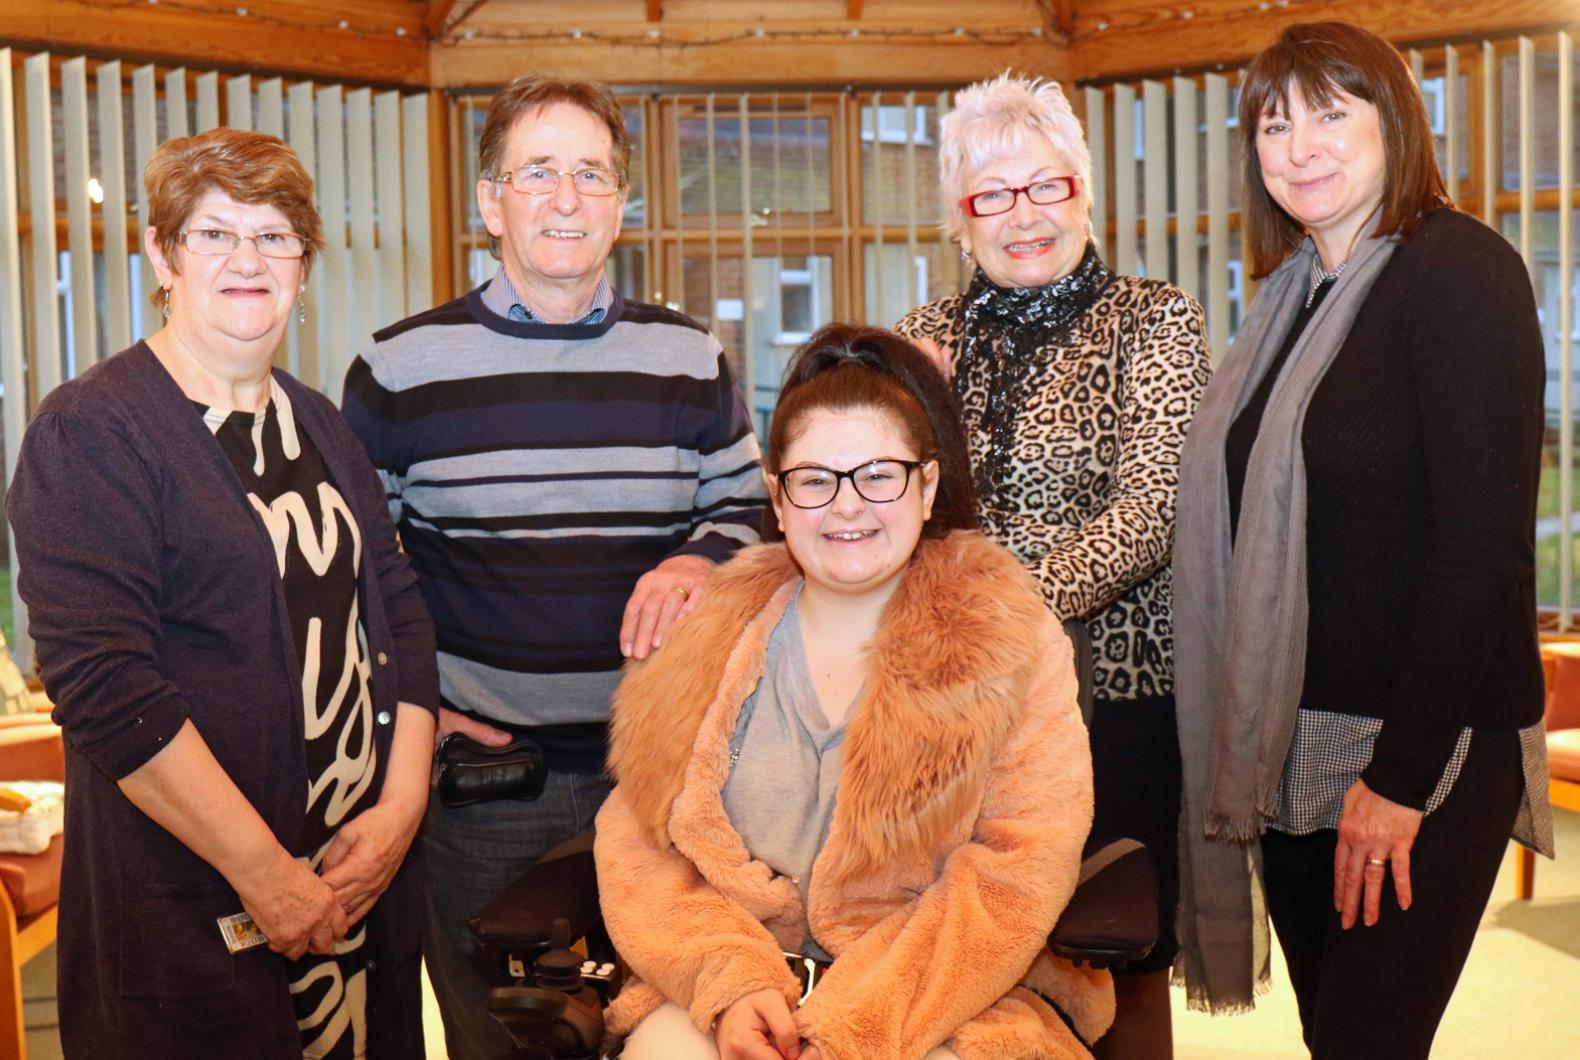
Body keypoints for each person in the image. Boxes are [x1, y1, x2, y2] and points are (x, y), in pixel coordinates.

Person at [340, 75, 766, 1056]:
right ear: (491, 204)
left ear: (620, 202)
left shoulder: (688, 355)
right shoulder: (400, 370)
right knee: (501, 1043)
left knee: (659, 1034)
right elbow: (348, 576)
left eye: (590, 173)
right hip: (485, 790)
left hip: (661, 790)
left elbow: (746, 508)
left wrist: (698, 560)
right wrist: (407, 707)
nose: (566, 197)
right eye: (537, 172)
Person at [5, 128, 438, 1059]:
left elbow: (398, 617)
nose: (249, 259)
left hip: (358, 898)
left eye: (276, 235)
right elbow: (108, 691)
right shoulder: (91, 432)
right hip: (203, 911)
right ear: (161, 255)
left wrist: (399, 813)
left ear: (305, 264)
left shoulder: (317, 421)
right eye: (214, 233)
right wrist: (268, 876)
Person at [1172, 21, 1555, 1057]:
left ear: (1391, 120)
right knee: (1332, 1039)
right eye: (1272, 122)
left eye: (1329, 114)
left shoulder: (1459, 273)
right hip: (1287, 738)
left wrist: (1393, 777)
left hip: (1422, 744)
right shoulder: (1287, 299)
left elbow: (1478, 550)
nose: (1297, 146)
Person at [594, 324, 1112, 1060]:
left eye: (879, 475)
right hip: (728, 982)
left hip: (939, 1001)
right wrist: (734, 985)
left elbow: (1015, 873)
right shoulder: (706, 633)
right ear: (778, 497)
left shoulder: (1014, 643)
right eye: (815, 480)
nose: (847, 507)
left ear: (927, 485)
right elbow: (641, 846)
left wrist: (853, 1028)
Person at [894, 73, 1211, 1059]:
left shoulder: (1152, 321)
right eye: (992, 194)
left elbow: (1153, 509)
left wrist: (1002, 619)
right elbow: (881, 511)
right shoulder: (919, 339)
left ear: (1083, 191)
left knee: (1112, 956)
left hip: (1111, 699)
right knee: (968, 960)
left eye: (1044, 186)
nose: (1021, 214)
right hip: (948, 712)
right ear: (960, 216)